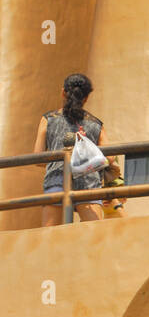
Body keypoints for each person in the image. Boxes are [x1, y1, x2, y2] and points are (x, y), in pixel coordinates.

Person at [34, 73, 106, 226]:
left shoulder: (48, 119)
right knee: (96, 237)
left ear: (63, 92)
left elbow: (38, 157)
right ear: (86, 98)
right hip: (89, 182)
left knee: (50, 236)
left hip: (57, 180)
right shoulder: (96, 124)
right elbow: (110, 158)